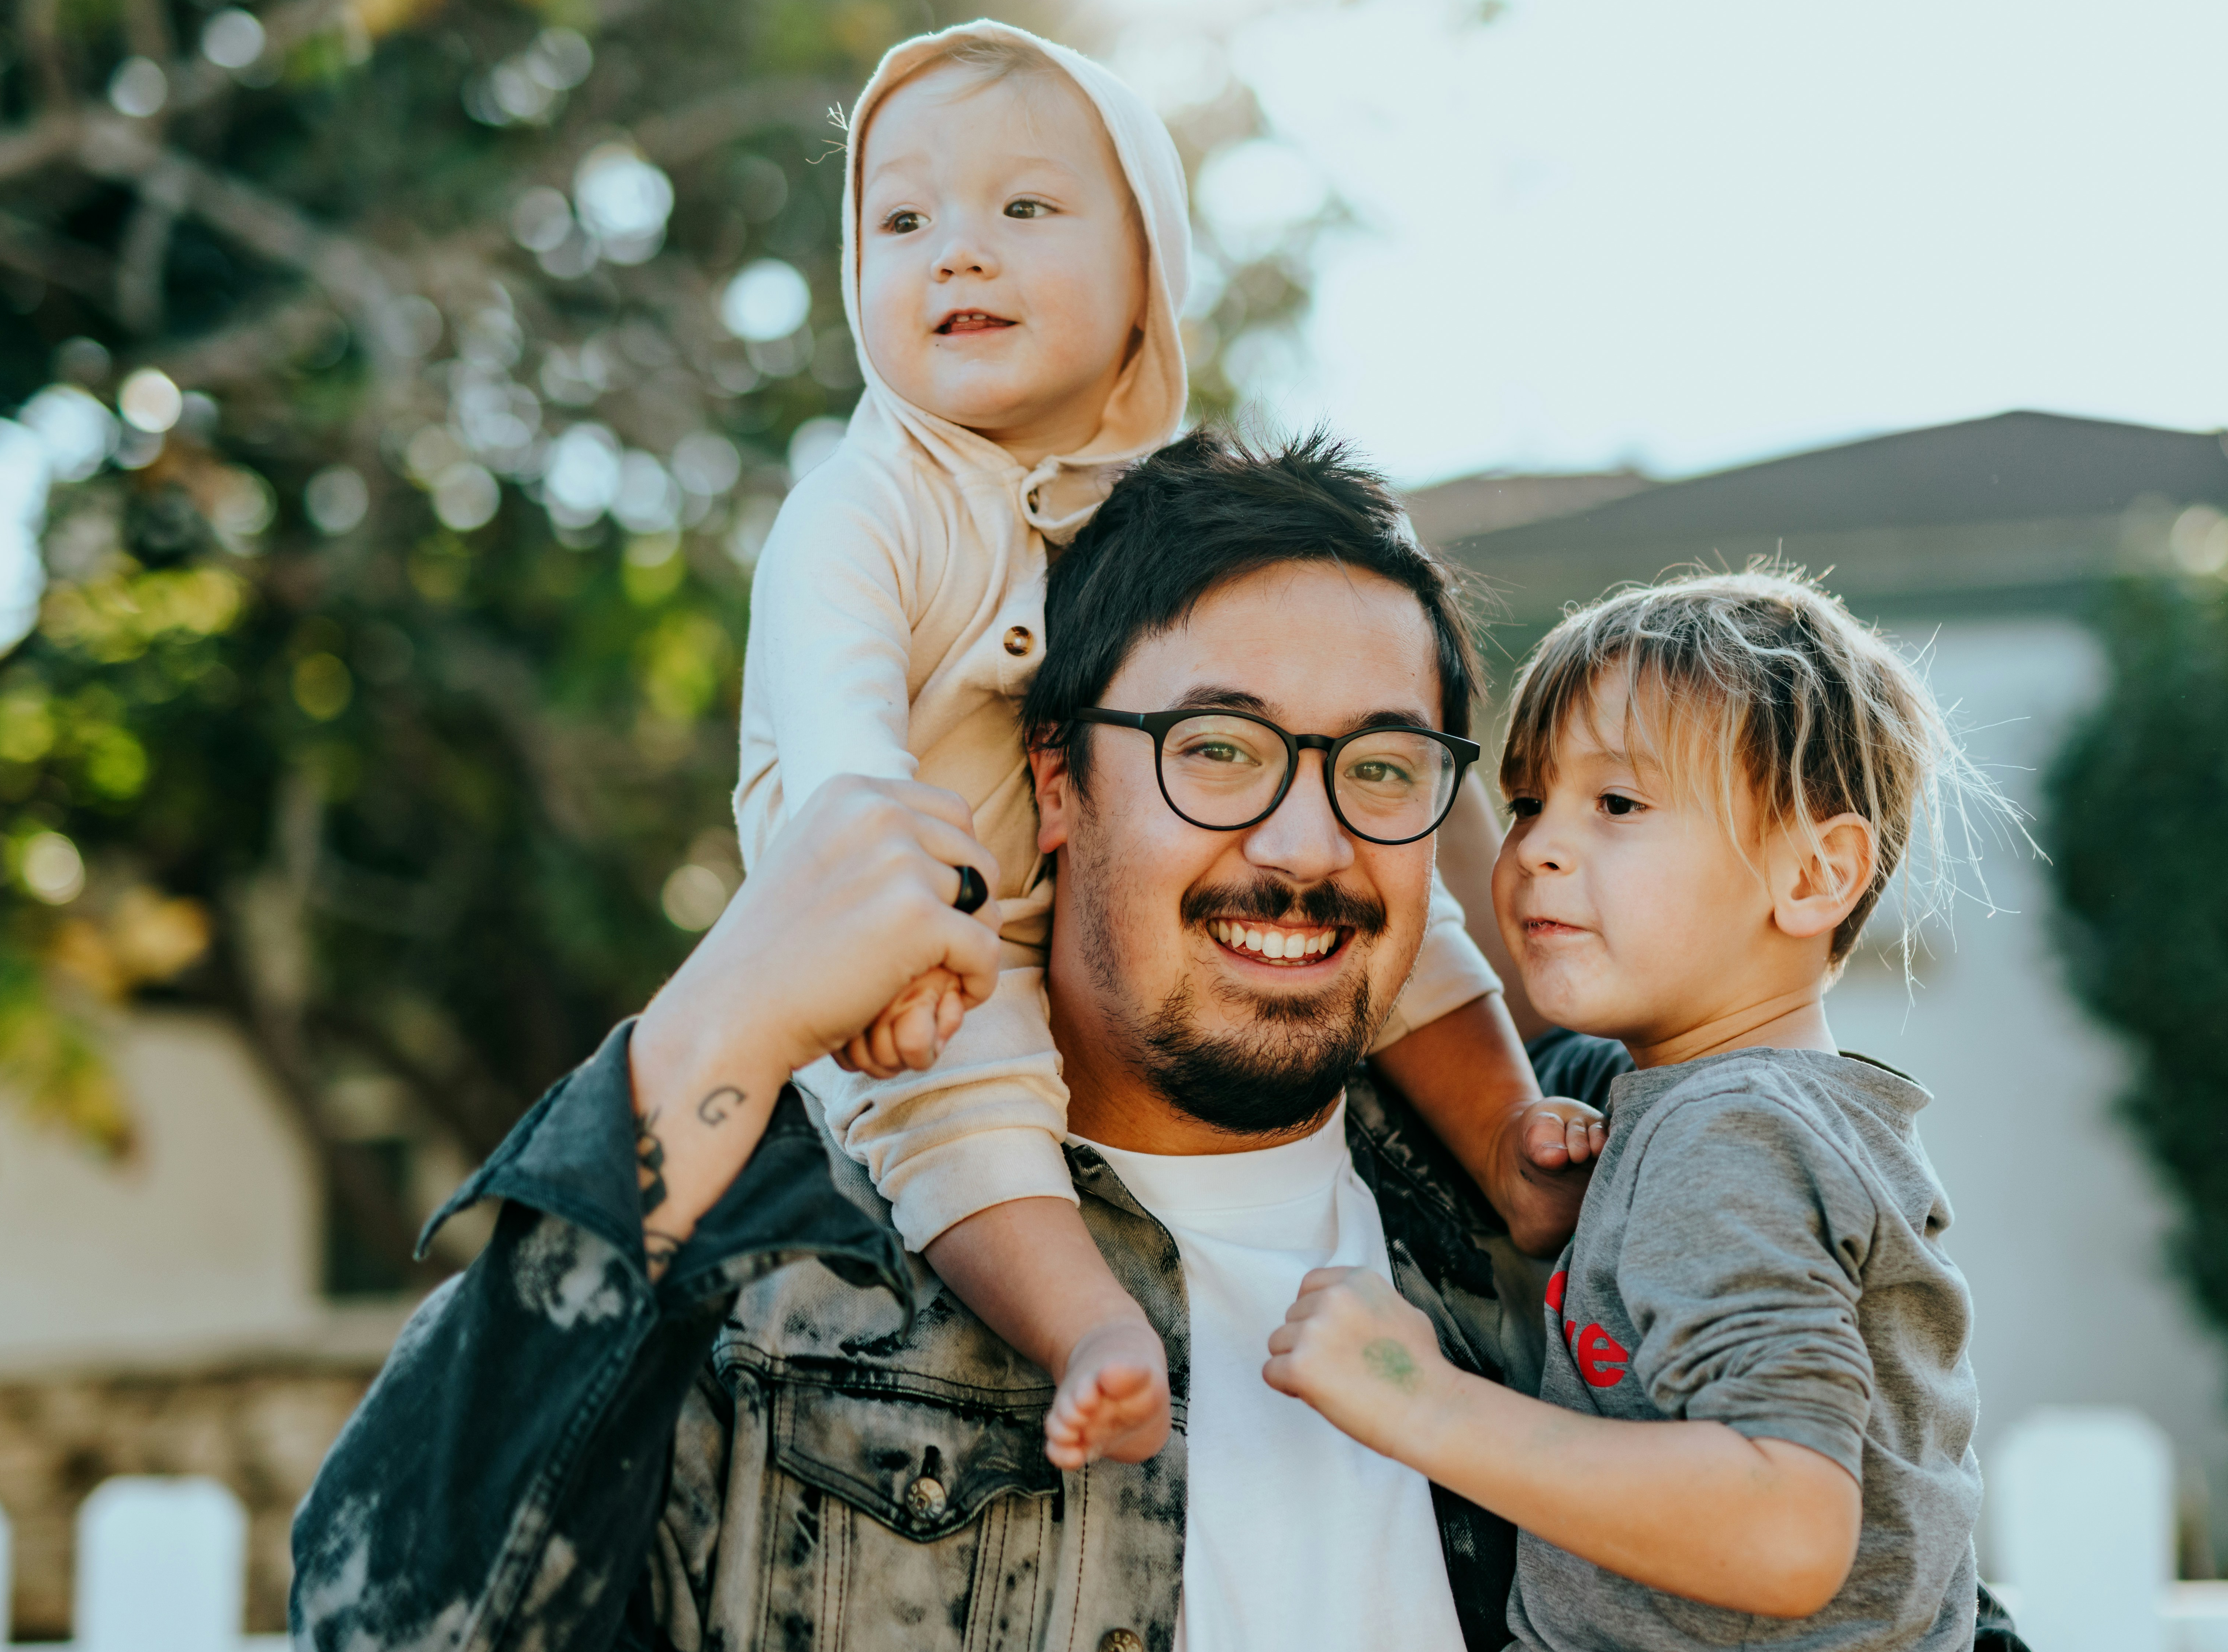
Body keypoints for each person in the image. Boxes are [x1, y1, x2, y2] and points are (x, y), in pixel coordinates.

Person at [293, 430, 1551, 1652]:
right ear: (1055, 782)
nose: (1306, 846)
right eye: (1217, 751)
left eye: (1382, 768)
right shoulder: (782, 1282)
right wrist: (718, 1014)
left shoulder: (1581, 1226)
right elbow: (393, 1623)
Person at [732, 20, 1596, 1476]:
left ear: (1149, 274)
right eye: (902, 220)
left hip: (1055, 905)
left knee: (1397, 910)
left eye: (1023, 209)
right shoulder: (865, 506)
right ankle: (1089, 1328)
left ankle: (1511, 1144)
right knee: (963, 1111)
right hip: (913, 932)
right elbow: (840, 756)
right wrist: (891, 947)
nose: (957, 252)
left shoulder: (1170, 513)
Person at [1265, 568, 2001, 1652]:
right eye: (1527, 802)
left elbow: (1788, 1525)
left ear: (1812, 874)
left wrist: (1416, 1398)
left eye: (1617, 804)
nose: (1538, 850)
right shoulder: (1738, 1109)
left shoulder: (1729, 1135)